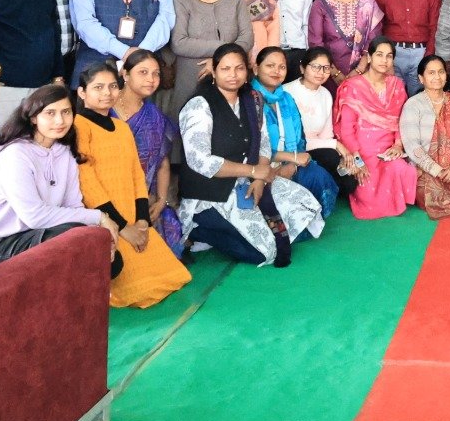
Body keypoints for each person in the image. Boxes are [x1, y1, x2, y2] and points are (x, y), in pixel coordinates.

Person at [177, 44, 324, 265]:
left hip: (246, 182)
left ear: (248, 71)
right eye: (225, 69)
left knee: (305, 206)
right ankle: (198, 229)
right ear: (214, 72)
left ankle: (239, 227)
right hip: (210, 193)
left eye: (239, 68)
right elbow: (200, 161)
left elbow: (263, 141)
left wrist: (258, 178)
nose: (233, 75)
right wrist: (255, 171)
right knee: (263, 252)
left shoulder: (252, 100)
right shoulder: (199, 105)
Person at [74, 62, 191, 307]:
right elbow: (88, 184)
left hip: (131, 215)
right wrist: (123, 227)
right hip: (105, 219)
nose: (107, 93)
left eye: (112, 87)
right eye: (98, 87)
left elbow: (137, 175)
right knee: (141, 292)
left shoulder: (121, 128)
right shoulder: (78, 127)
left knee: (175, 276)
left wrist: (141, 221)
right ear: (82, 92)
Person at [0, 83, 120, 274]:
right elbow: (35, 216)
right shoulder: (16, 154)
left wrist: (97, 235)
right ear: (33, 117)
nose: (60, 120)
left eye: (66, 112)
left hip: (38, 234)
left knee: (107, 256)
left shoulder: (64, 153)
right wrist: (98, 217)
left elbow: (73, 206)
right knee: (75, 240)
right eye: (50, 113)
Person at [111, 49, 185, 254]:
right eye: (143, 72)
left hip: (145, 197)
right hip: (109, 197)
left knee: (170, 237)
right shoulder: (106, 110)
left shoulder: (154, 117)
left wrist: (161, 200)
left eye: (156, 74)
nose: (151, 79)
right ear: (125, 75)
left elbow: (162, 163)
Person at [252, 46, 339, 217]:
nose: (276, 71)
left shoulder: (286, 99)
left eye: (282, 67)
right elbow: (250, 148)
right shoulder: (248, 99)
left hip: (291, 162)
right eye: (270, 66)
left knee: (320, 178)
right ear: (256, 68)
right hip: (257, 168)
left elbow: (300, 139)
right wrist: (289, 160)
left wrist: (292, 164)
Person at [333, 37, 415, 217]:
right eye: (379, 55)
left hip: (387, 149)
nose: (384, 61)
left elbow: (401, 120)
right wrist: (356, 158)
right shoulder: (352, 86)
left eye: (389, 56)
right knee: (368, 197)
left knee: (400, 169)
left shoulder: (397, 85)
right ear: (369, 57)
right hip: (362, 150)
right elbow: (347, 127)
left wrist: (398, 145)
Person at [170, 0, 253, 114]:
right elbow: (179, 43)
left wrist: (219, 62)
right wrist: (223, 50)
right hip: (191, 77)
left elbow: (247, 38)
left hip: (231, 77)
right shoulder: (180, 1)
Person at [401, 55, 450, 219]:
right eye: (431, 73)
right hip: (424, 167)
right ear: (421, 78)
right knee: (431, 197)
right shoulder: (413, 105)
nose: (437, 77)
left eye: (441, 72)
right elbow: (411, 145)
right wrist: (437, 170)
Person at [286, 46, 363, 203]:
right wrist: (336, 145)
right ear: (302, 68)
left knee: (349, 183)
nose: (320, 72)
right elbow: (291, 138)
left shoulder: (326, 95)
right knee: (329, 159)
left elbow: (326, 136)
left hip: (318, 148)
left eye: (326, 68)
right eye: (315, 67)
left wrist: (339, 154)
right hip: (292, 149)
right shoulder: (287, 92)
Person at [310, 0, 386, 89]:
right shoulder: (320, 4)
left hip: (364, 73)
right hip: (327, 73)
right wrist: (334, 73)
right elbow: (316, 42)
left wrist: (359, 70)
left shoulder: (367, 2)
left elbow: (374, 41)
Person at [373, 0, 440, 95]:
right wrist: (384, 57)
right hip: (392, 53)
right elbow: (378, 28)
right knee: (392, 98)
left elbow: (435, 27)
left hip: (421, 52)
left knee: (419, 101)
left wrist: (428, 57)